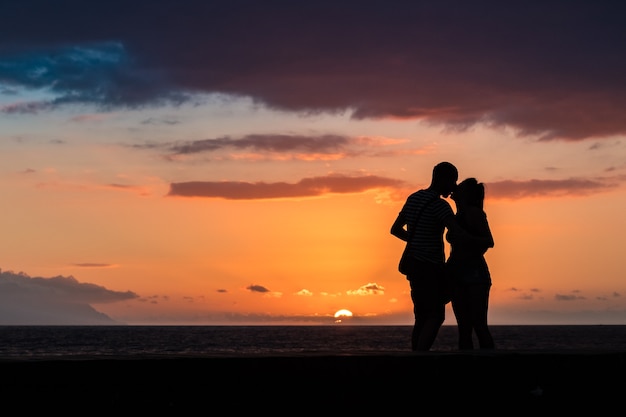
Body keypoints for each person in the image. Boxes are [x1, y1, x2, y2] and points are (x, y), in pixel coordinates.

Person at [390, 162, 466, 351]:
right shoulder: (441, 206)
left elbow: (395, 229)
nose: (454, 186)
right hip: (431, 267)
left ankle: (416, 355)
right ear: (443, 179)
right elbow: (456, 232)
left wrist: (415, 241)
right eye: (453, 181)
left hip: (414, 265)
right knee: (436, 315)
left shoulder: (414, 198)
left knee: (421, 316)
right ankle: (421, 357)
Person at [446, 178, 495, 350]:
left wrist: (466, 238)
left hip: (474, 274)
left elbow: (489, 241)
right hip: (458, 272)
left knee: (479, 325)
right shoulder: (459, 214)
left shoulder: (474, 213)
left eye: (459, 188)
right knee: (464, 327)